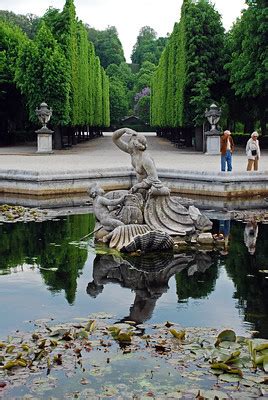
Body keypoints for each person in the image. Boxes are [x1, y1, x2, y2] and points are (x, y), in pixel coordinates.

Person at [112, 128, 169, 195]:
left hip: (150, 192)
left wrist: (137, 186)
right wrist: (124, 130)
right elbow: (115, 139)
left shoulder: (145, 159)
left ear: (135, 144)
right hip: (141, 188)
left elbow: (154, 179)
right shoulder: (132, 152)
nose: (128, 142)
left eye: (130, 140)